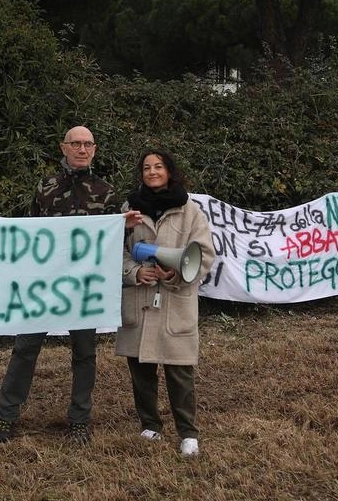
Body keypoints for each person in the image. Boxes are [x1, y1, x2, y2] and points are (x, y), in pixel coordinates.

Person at [0, 126, 138, 445]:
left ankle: (79, 420)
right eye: (76, 144)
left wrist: (124, 227)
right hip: (44, 286)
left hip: (84, 289)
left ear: (95, 150)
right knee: (25, 348)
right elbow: (29, 234)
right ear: (64, 147)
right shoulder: (45, 187)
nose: (82, 149)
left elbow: (115, 241)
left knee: (84, 353)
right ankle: (6, 416)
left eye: (88, 144)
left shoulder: (106, 192)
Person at [117, 149, 214, 458]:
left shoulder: (190, 211)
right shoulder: (129, 209)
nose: (152, 171)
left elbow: (204, 254)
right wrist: (133, 272)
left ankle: (188, 432)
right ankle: (150, 424)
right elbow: (114, 249)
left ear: (169, 171)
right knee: (140, 369)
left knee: (179, 372)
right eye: (146, 167)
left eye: (158, 166)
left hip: (174, 300)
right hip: (140, 298)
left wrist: (174, 274)